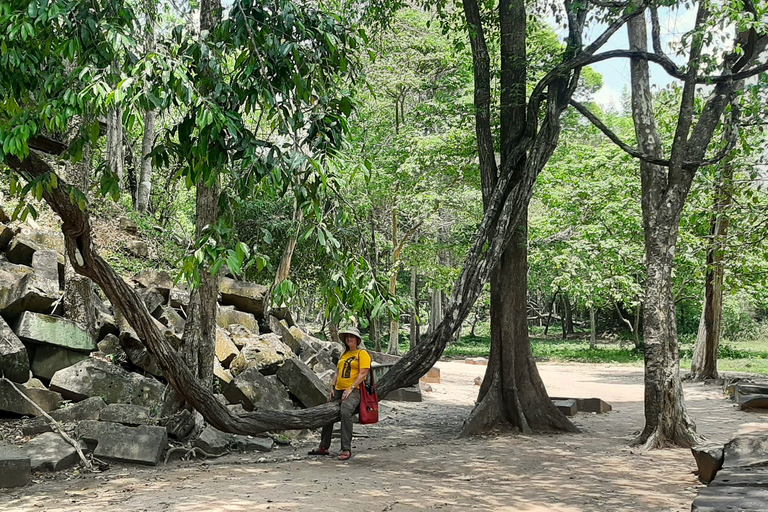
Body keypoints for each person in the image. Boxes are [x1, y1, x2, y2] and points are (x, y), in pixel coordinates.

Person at [308, 326, 371, 461]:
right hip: (339, 388)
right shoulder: (344, 354)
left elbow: (363, 373)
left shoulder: (362, 354)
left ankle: (346, 448)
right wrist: (333, 387)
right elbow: (337, 371)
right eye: (347, 337)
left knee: (345, 410)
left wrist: (351, 388)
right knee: (327, 410)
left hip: (355, 390)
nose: (349, 339)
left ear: (357, 339)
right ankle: (324, 446)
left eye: (352, 337)